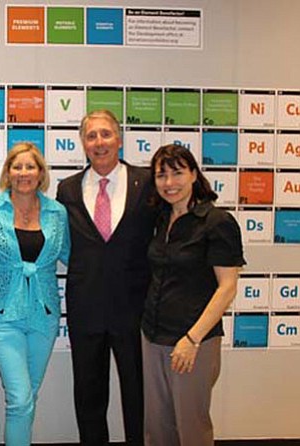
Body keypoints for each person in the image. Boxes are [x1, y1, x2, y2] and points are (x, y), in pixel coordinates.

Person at [56, 110, 156, 446]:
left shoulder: (148, 182)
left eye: (106, 134)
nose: (99, 143)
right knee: (88, 396)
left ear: (119, 138)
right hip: (86, 309)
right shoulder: (67, 189)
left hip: (136, 309)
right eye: (91, 136)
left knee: (138, 395)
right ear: (83, 143)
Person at [142, 144, 245, 445]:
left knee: (191, 427)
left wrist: (191, 339)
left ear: (194, 175)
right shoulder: (160, 220)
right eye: (162, 175)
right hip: (152, 336)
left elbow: (227, 288)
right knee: (157, 428)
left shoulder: (216, 222)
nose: (169, 183)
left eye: (177, 173)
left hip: (193, 341)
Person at [0, 142, 70, 446]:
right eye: (17, 166)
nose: (23, 173)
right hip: (2, 315)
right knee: (19, 398)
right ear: (7, 172)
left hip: (43, 316)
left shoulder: (57, 213)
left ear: (40, 172)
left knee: (30, 395)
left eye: (30, 166)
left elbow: (74, 256)